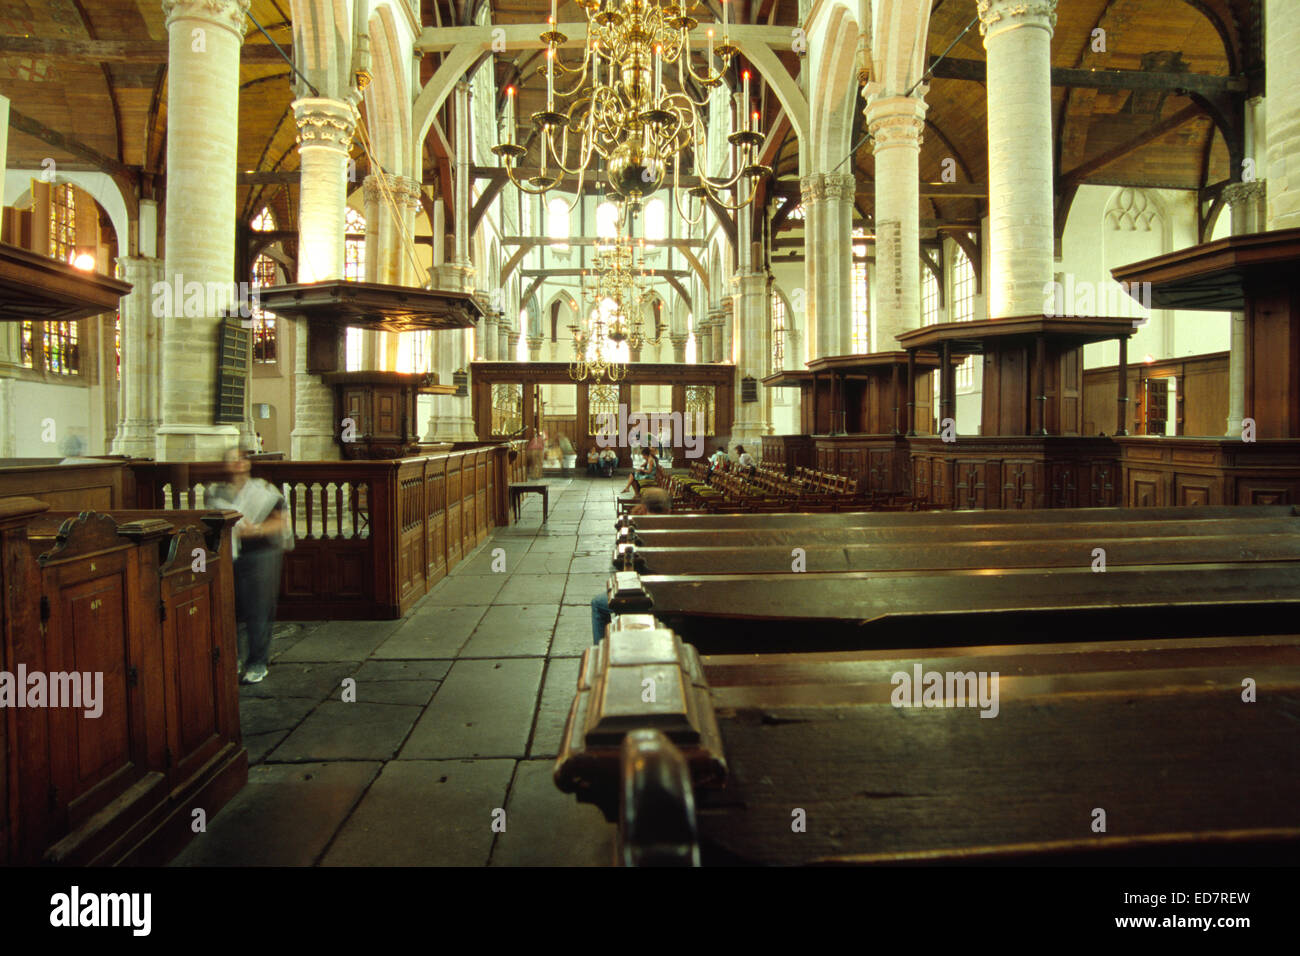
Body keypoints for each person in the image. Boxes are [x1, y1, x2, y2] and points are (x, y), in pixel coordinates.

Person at [207, 446, 289, 684]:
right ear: (226, 465)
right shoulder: (216, 492)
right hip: (227, 554)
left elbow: (281, 523)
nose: (238, 462)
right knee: (228, 609)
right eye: (232, 459)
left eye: (242, 457)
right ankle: (232, 660)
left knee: (258, 609)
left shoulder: (264, 490)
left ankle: (257, 662)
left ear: (248, 462)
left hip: (261, 554)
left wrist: (258, 529)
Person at [592, 488, 671, 644]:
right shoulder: (678, 525)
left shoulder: (633, 527)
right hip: (677, 594)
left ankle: (602, 649)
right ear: (668, 509)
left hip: (644, 599)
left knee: (598, 604)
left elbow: (620, 568)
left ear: (644, 507)